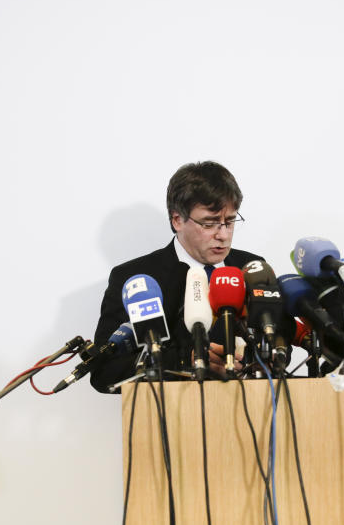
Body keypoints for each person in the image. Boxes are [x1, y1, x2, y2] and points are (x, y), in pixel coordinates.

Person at [90, 161, 264, 392]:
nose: (223, 235)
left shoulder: (252, 268)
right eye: (209, 223)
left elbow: (281, 343)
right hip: (172, 420)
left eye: (230, 221)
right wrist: (185, 362)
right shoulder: (135, 278)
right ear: (177, 220)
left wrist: (258, 360)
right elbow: (104, 372)